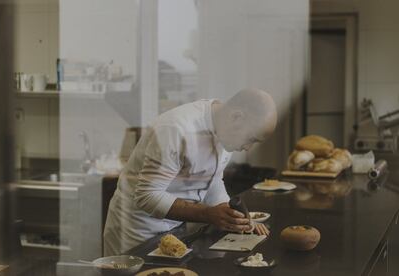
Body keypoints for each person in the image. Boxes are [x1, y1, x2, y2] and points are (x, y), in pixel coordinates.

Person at [103, 88, 278, 255]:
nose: (248, 148)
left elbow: (213, 179)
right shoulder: (176, 129)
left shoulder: (226, 130)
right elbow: (147, 196)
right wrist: (208, 214)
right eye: (251, 139)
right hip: (136, 231)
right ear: (237, 117)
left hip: (174, 229)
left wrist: (229, 214)